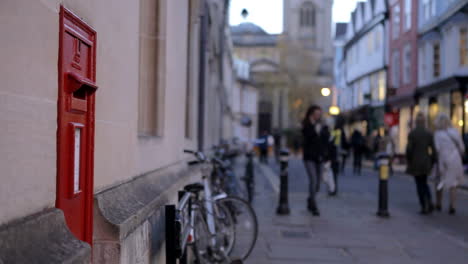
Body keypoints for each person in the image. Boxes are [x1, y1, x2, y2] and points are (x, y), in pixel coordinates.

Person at [433, 113, 465, 215]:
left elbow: (437, 149)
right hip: (455, 159)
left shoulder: (437, 134)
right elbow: (462, 148)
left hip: (443, 159)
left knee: (440, 182)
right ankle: (452, 205)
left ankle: (438, 203)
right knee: (453, 183)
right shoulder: (455, 132)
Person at [302, 105, 330, 216]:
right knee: (313, 180)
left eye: (319, 114)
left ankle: (310, 199)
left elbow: (326, 139)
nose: (318, 116)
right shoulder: (306, 125)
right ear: (311, 114)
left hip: (320, 157)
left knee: (318, 183)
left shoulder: (322, 125)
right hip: (309, 157)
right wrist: (314, 129)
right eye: (316, 114)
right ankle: (313, 205)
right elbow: (307, 137)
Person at [406, 113, 436, 215]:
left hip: (416, 162)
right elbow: (433, 149)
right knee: (425, 183)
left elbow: (409, 150)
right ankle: (429, 200)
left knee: (419, 184)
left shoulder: (413, 133)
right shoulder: (429, 133)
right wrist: (432, 161)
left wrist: (409, 161)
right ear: (424, 122)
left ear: (416, 122)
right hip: (426, 161)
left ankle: (424, 205)